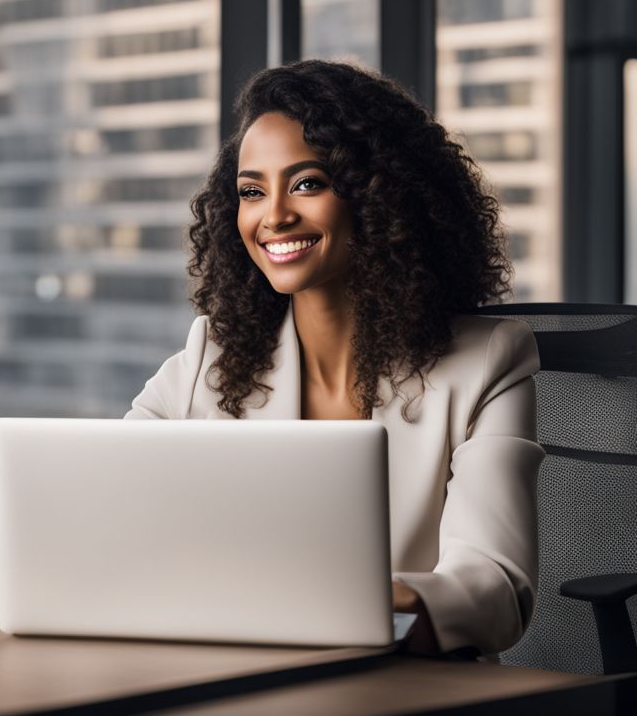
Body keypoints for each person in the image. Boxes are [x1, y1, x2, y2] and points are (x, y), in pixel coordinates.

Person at [126, 60, 543, 658]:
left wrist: (359, 607)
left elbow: (495, 588)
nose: (273, 216)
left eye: (306, 183)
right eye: (251, 191)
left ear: (379, 197)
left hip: (409, 685)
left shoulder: (488, 363)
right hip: (237, 674)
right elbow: (107, 513)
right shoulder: (206, 360)